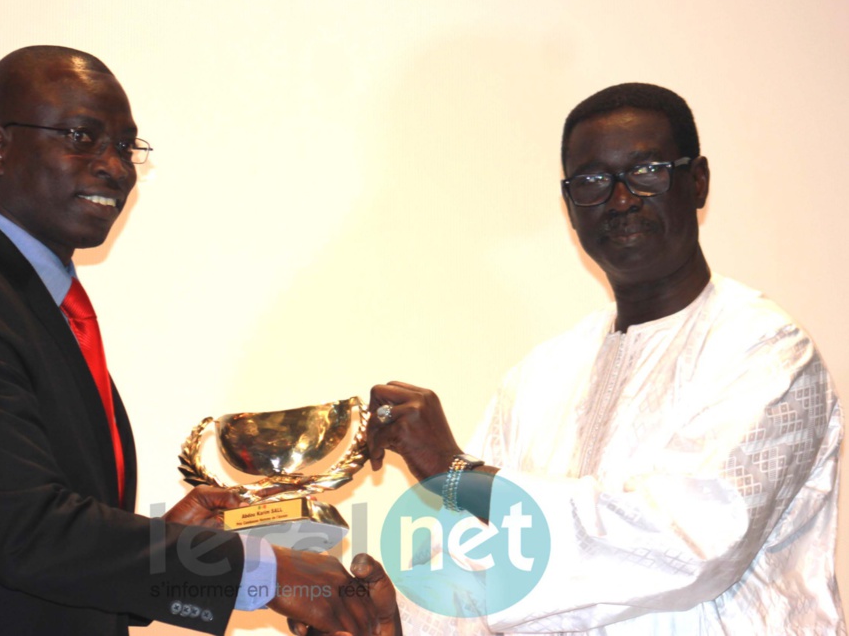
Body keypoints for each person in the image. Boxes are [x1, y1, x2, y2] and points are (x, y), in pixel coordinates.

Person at [0, 45, 379, 636]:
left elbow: (44, 551)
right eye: (82, 137)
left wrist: (176, 544)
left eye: (124, 144)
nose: (114, 166)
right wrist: (268, 572)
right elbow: (31, 534)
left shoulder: (33, 304)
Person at [362, 83, 844, 634]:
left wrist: (460, 474)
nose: (620, 200)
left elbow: (690, 545)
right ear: (569, 207)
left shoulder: (766, 350)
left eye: (647, 171)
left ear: (698, 181)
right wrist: (387, 617)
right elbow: (479, 562)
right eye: (592, 181)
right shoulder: (539, 377)